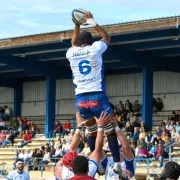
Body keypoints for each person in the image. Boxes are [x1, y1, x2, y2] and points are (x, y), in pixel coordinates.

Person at [66, 10, 121, 172]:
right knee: (110, 129)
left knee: (91, 130)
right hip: (97, 95)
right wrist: (92, 22)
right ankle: (117, 162)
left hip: (81, 100)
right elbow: (106, 38)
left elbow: (73, 43)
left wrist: (76, 24)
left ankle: (98, 163)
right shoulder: (95, 48)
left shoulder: (71, 53)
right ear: (90, 42)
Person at [61, 112, 109, 179]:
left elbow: (72, 149)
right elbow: (98, 150)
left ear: (73, 169)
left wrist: (100, 127)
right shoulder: (89, 173)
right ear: (88, 169)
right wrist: (79, 127)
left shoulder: (66, 175)